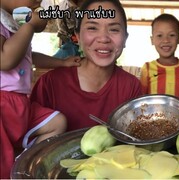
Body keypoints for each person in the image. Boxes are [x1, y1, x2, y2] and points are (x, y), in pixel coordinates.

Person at [30, 0, 142, 132]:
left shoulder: (131, 87)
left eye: (114, 29)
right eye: (92, 28)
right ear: (78, 36)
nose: (103, 38)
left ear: (125, 38)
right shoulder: (50, 84)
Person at [0, 0, 81, 178]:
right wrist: (29, 26)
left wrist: (61, 63)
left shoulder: (12, 21)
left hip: (20, 103)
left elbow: (27, 55)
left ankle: (23, 162)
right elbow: (5, 60)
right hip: (3, 104)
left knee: (57, 123)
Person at [140, 13, 179, 100]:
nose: (166, 40)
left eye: (171, 35)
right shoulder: (147, 68)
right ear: (152, 40)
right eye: (159, 36)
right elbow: (141, 98)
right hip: (154, 114)